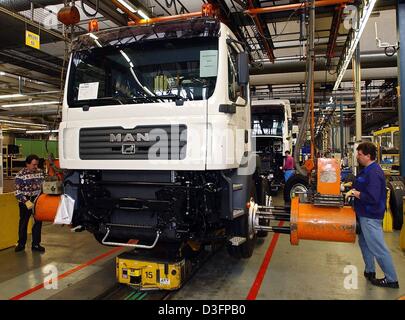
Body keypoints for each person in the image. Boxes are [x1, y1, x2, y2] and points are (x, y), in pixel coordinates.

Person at [350, 142, 399, 288]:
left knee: (378, 247)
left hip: (370, 216)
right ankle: (370, 270)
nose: (357, 157)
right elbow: (362, 184)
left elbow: (373, 197)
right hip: (364, 214)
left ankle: (391, 279)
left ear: (368, 156)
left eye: (359, 154)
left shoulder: (374, 172)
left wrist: (356, 193)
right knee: (364, 243)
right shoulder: (367, 170)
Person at [14, 154, 45, 253]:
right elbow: (17, 191)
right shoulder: (20, 174)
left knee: (38, 222)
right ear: (27, 164)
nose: (36, 167)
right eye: (33, 165)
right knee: (24, 222)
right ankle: (21, 244)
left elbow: (44, 186)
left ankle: (36, 244)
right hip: (25, 200)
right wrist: (25, 201)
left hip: (37, 199)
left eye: (37, 164)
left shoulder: (40, 172)